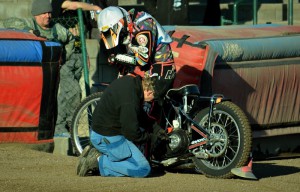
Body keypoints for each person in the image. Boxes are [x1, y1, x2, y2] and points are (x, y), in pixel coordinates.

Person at [77, 74, 168, 177]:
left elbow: (138, 114)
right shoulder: (130, 101)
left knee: (133, 161)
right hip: (106, 137)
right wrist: (150, 137)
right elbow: (132, 134)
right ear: (150, 92)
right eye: (154, 98)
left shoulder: (131, 82)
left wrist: (156, 129)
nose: (152, 101)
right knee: (143, 169)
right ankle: (97, 162)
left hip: (101, 132)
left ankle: (100, 155)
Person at [96, 6, 176, 104]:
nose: (120, 36)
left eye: (118, 33)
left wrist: (117, 57)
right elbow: (121, 56)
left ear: (120, 23)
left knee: (145, 102)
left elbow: (142, 59)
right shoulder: (125, 24)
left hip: (161, 67)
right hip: (145, 68)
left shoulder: (144, 24)